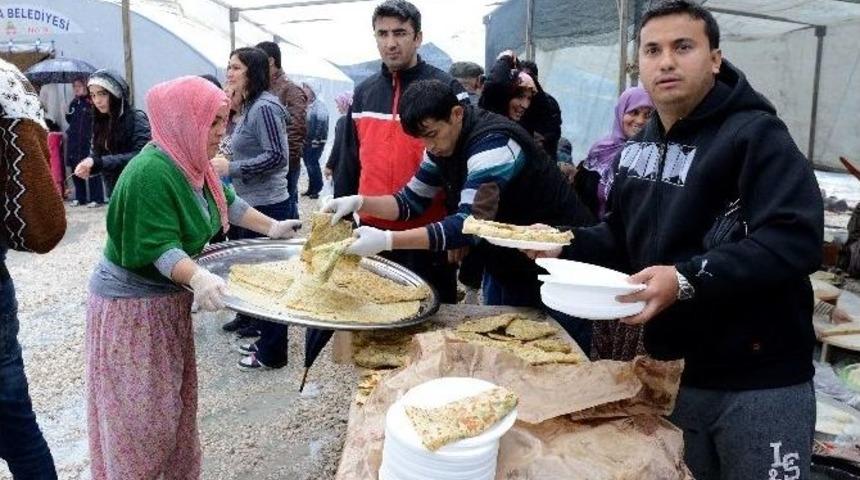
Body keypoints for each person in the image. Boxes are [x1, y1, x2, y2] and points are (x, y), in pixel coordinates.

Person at [528, 2, 822, 478]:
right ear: (638, 63)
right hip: (675, 372)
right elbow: (624, 238)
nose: (666, 61)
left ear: (714, 58)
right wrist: (564, 244)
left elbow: (795, 238)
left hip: (759, 377)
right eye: (653, 49)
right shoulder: (640, 146)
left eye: (683, 47)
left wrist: (685, 279)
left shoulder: (756, 136)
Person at [85, 76, 301, 479]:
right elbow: (157, 249)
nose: (222, 133)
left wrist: (273, 228)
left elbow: (229, 204)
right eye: (214, 123)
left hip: (165, 305)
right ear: (184, 121)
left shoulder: (192, 161)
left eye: (224, 121)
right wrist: (200, 277)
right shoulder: (150, 172)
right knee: (142, 419)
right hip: (132, 313)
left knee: (173, 406)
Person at [324, 79, 593, 310]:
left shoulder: (494, 144)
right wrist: (359, 202)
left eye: (432, 135)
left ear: (456, 114)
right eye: (422, 139)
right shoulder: (440, 148)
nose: (429, 146)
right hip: (512, 262)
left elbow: (468, 226)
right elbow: (410, 202)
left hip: (562, 264)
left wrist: (387, 240)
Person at [332, 0, 469, 304]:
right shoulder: (365, 91)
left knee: (431, 322)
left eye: (400, 33)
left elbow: (463, 163)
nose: (391, 43)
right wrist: (343, 223)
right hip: (371, 231)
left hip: (428, 234)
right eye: (382, 34)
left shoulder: (446, 88)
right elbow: (349, 161)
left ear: (417, 37)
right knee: (373, 317)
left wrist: (459, 227)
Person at [0, 57, 65, 480]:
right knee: (17, 428)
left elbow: (43, 228)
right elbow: (42, 229)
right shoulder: (6, 80)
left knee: (17, 429)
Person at [211, 47, 293, 370]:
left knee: (271, 281)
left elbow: (277, 157)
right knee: (257, 278)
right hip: (251, 203)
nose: (229, 72)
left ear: (254, 72)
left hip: (268, 204)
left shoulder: (265, 108)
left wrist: (232, 168)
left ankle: (274, 353)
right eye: (228, 66)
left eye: (236, 68)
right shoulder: (248, 106)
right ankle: (265, 338)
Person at [575, 86, 653, 221]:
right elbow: (583, 197)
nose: (640, 121)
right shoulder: (600, 151)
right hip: (595, 233)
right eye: (633, 112)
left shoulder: (656, 158)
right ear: (621, 113)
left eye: (648, 115)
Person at [73, 69, 151, 197]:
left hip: (138, 189)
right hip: (114, 191)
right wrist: (89, 164)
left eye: (102, 94)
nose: (97, 100)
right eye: (93, 95)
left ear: (115, 93)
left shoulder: (135, 119)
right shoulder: (100, 122)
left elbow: (142, 157)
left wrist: (100, 162)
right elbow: (97, 154)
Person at [255, 41, 308, 219]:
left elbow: (296, 128)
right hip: (263, 164)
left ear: (270, 61)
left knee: (285, 207)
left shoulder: (290, 89)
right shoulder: (262, 89)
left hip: (282, 165)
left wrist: (282, 163)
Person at [65, 76, 104, 206]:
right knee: (76, 167)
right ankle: (80, 197)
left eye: (79, 86)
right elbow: (69, 120)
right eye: (74, 87)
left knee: (92, 167)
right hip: (75, 141)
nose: (76, 89)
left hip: (88, 140)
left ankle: (96, 198)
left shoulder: (91, 103)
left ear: (85, 87)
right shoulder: (73, 104)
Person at [518, 60, 563, 161]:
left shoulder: (549, 102)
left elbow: (556, 130)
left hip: (544, 158)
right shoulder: (514, 102)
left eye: (528, 77)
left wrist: (543, 138)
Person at [301, 82, 329, 199]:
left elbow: (321, 124)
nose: (304, 89)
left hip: (316, 141)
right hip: (307, 140)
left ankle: (317, 189)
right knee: (308, 164)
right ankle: (311, 188)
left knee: (313, 164)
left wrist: (317, 140)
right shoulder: (307, 104)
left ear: (313, 90)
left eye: (306, 87)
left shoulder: (319, 105)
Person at [324, 91, 353, 181]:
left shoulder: (343, 120)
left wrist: (329, 165)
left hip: (342, 164)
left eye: (339, 104)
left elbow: (337, 145)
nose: (337, 107)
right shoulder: (355, 119)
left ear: (345, 104)